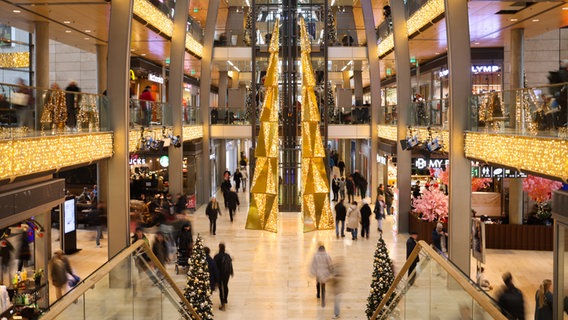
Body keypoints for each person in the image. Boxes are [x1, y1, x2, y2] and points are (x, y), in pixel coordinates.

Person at [214, 243, 234, 311]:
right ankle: (225, 299)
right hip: (226, 274)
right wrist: (231, 272)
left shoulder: (216, 256)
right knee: (225, 286)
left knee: (220, 288)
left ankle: (222, 303)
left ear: (219, 248)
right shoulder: (227, 255)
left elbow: (215, 267)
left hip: (219, 274)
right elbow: (230, 264)